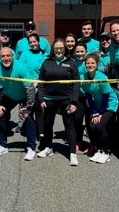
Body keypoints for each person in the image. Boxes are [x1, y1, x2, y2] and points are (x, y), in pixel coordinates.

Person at [0, 47, 38, 161]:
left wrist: (29, 107)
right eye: (3, 56)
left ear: (12, 56)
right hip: (9, 96)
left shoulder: (21, 67)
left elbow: (30, 88)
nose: (6, 58)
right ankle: (2, 145)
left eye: (8, 55)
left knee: (28, 118)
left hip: (24, 96)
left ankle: (31, 148)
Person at [37, 38, 80, 166]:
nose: (59, 50)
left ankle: (72, 153)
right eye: (56, 48)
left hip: (66, 100)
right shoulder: (46, 62)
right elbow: (41, 82)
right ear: (53, 49)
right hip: (49, 100)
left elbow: (76, 84)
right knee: (47, 125)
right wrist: (41, 99)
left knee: (69, 126)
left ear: (65, 49)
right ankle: (48, 148)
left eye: (61, 48)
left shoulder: (71, 63)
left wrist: (74, 102)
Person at [80, 53, 118, 164]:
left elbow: (106, 97)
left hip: (109, 105)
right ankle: (99, 150)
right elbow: (88, 96)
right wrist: (95, 112)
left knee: (100, 126)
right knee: (92, 126)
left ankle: (106, 152)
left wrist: (100, 113)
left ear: (96, 64)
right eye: (88, 63)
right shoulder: (83, 78)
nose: (90, 65)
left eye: (92, 63)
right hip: (97, 105)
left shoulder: (102, 77)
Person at [18, 32, 47, 137]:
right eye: (30, 42)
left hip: (39, 86)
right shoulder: (25, 54)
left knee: (39, 110)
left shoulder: (44, 55)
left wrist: (37, 82)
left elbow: (45, 71)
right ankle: (29, 132)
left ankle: (41, 134)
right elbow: (21, 69)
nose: (33, 44)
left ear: (38, 42)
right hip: (27, 86)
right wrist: (29, 83)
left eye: (34, 41)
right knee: (28, 111)